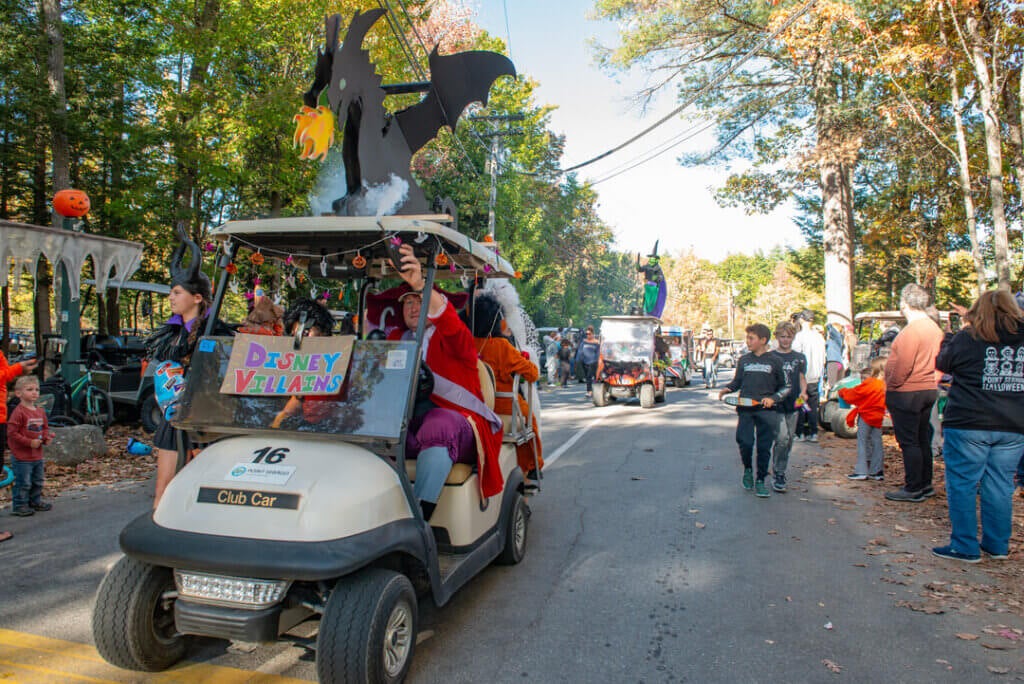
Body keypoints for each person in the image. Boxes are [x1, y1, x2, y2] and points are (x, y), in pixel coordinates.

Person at [387, 244, 504, 519]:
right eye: (409, 301)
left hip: (457, 424)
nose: (414, 307)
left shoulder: (452, 337)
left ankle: (419, 519)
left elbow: (449, 321)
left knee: (439, 424)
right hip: (406, 425)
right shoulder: (393, 342)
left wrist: (421, 283)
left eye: (420, 300)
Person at [930, 290, 1024, 562]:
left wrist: (949, 335)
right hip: (1013, 423)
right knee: (1001, 484)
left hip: (970, 420)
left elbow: (943, 363)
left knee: (963, 483)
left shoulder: (968, 338)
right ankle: (996, 544)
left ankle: (964, 544)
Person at [145, 230, 232, 509]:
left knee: (204, 484)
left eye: (177, 292)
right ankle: (160, 520)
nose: (170, 297)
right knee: (164, 487)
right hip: (174, 415)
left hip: (205, 417)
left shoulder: (215, 333)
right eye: (171, 291)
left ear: (196, 298)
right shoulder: (168, 333)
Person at [464, 292, 544, 481]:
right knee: (529, 420)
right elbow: (532, 373)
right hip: (503, 408)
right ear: (495, 321)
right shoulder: (501, 346)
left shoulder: (464, 343)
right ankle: (533, 465)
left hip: (471, 407)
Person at [883, 283, 945, 503]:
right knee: (921, 438)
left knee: (909, 441)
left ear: (905, 303)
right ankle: (925, 484)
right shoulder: (934, 328)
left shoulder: (912, 331)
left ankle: (913, 487)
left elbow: (902, 366)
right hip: (927, 388)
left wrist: (891, 384)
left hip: (907, 391)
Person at [718, 324, 790, 498]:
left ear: (763, 340)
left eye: (751, 338)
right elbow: (737, 382)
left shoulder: (775, 361)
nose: (748, 341)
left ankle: (760, 481)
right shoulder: (744, 360)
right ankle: (748, 470)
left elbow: (786, 386)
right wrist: (727, 389)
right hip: (745, 408)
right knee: (745, 442)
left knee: (764, 447)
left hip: (767, 411)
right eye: (747, 338)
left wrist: (773, 398)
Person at [270, 298, 338, 428]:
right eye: (295, 336)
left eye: (305, 333)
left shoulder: (341, 363)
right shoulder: (301, 366)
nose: (300, 340)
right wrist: (275, 425)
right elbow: (295, 402)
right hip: (308, 433)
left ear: (324, 332)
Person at [7, 375, 54, 516]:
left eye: (37, 389)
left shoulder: (40, 411)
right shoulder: (18, 412)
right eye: (29, 389)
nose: (35, 392)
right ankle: (20, 505)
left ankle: (35, 501)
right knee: (23, 482)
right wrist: (29, 442)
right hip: (22, 456)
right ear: (18, 393)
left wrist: (46, 437)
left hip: (37, 455)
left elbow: (44, 428)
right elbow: (12, 433)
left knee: (38, 480)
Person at [770, 321, 806, 492]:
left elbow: (801, 378)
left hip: (794, 402)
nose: (785, 340)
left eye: (789, 337)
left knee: (789, 439)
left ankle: (780, 465)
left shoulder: (799, 357)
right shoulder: (770, 357)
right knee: (782, 438)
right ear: (776, 337)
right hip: (776, 404)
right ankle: (779, 472)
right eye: (782, 336)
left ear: (793, 337)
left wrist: (804, 393)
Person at [838, 358, 887, 481]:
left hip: (866, 415)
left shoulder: (871, 383)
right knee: (877, 443)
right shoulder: (884, 384)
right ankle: (877, 471)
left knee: (862, 442)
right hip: (878, 416)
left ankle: (861, 470)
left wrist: (842, 391)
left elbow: (854, 394)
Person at [792, 310, 826, 442]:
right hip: (815, 377)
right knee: (812, 405)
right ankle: (813, 432)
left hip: (802, 378)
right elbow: (823, 357)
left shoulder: (799, 337)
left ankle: (799, 432)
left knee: (800, 403)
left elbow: (795, 356)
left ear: (801, 320)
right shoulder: (819, 337)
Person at [574, 326, 600, 397]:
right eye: (587, 334)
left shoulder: (596, 342)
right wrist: (577, 360)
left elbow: (598, 352)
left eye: (589, 334)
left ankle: (593, 391)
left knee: (591, 376)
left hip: (593, 362)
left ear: (592, 334)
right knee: (588, 377)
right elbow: (580, 351)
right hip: (584, 362)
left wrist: (597, 360)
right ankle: (590, 390)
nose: (588, 335)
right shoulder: (584, 342)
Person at [697, 324, 720, 389]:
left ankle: (714, 382)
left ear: (712, 334)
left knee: (714, 371)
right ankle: (708, 383)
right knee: (708, 371)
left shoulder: (716, 340)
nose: (709, 335)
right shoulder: (705, 341)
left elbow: (718, 349)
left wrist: (714, 357)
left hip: (715, 357)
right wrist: (702, 359)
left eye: (710, 334)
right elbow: (703, 350)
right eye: (708, 334)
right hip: (707, 357)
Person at [825, 321, 846, 385]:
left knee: (833, 385)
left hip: (833, 362)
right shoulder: (839, 339)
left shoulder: (837, 337)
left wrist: (829, 325)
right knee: (838, 386)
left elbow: (832, 331)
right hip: (838, 363)